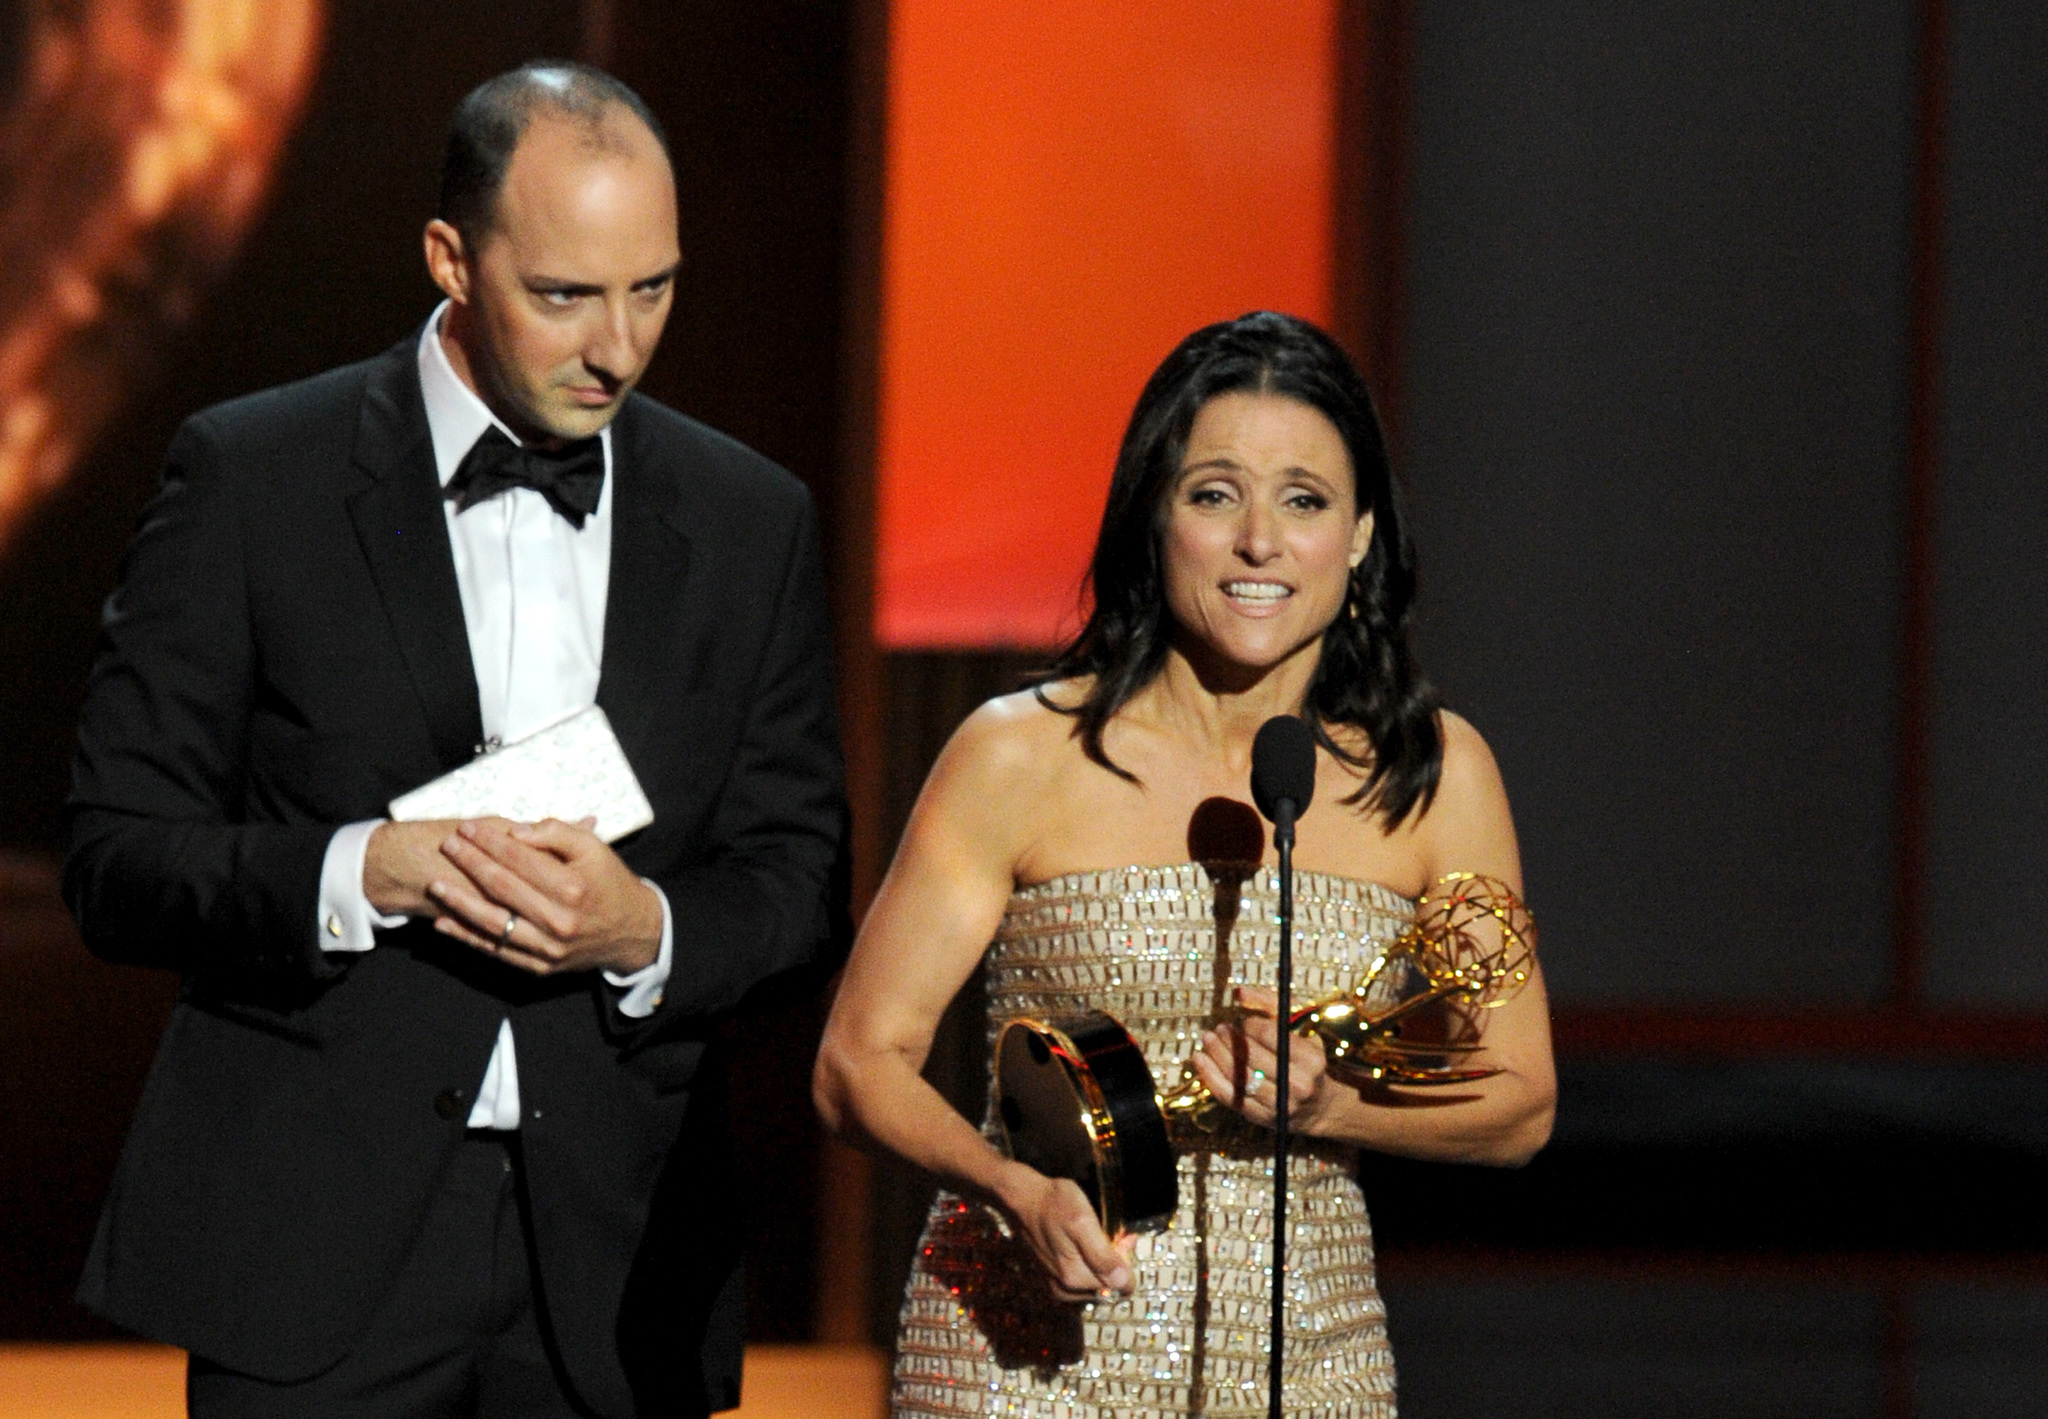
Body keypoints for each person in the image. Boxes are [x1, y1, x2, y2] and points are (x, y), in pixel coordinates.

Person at [64, 61, 846, 1418]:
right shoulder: (255, 477)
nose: (619, 344)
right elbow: (118, 855)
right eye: (565, 294)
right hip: (311, 1248)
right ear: (450, 257)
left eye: (652, 286)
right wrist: (367, 869)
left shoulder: (747, 517)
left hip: (618, 1258)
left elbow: (797, 880)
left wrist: (645, 928)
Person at [815, 312, 1555, 1417]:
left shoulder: (1433, 776)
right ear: (1152, 516)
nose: (1258, 540)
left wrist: (1328, 1105)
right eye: (1214, 495)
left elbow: (1517, 1098)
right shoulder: (1020, 753)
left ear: (1357, 536)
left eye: (1303, 501)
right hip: (1023, 1355)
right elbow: (857, 1062)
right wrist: (1010, 1188)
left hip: (1306, 1359)